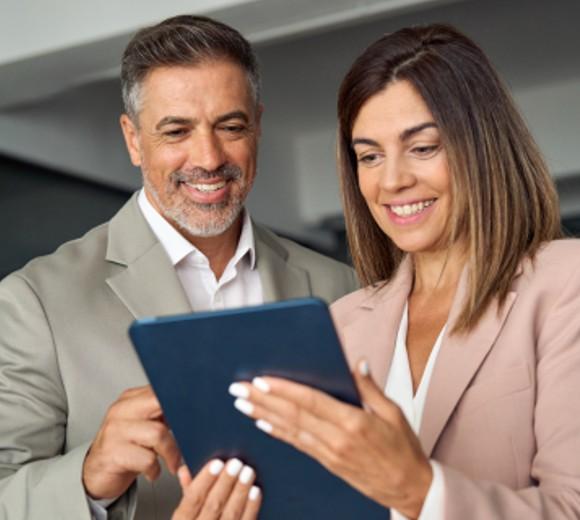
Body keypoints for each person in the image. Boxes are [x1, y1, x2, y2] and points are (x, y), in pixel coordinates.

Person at [0, 15, 357, 520]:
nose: (208, 158)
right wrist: (88, 476)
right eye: (177, 130)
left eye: (230, 126)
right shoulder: (32, 302)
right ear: (132, 139)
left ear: (257, 125)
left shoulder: (340, 287)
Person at [228, 23, 580, 518]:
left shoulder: (566, 282)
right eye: (369, 156)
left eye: (423, 147)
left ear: (483, 145)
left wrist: (420, 490)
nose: (392, 180)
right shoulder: (342, 322)